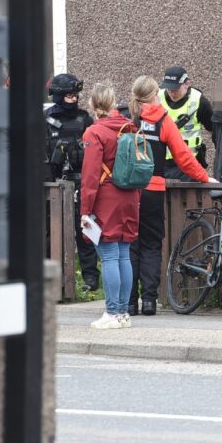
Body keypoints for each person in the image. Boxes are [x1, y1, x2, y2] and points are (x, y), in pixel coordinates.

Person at [121, 76, 217, 316]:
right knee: (151, 246)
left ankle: (130, 303)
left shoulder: (125, 117)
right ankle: (150, 302)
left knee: (130, 245)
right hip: (152, 189)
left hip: (127, 192)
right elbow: (183, 156)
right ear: (155, 95)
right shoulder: (162, 120)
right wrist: (205, 177)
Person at [79, 84, 140, 329]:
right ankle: (123, 312)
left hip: (107, 198)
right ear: (114, 103)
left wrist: (85, 210)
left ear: (93, 106)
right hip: (130, 196)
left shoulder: (94, 133)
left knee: (109, 256)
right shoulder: (130, 127)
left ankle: (112, 312)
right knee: (124, 254)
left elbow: (90, 176)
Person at [44, 73, 101, 292]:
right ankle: (52, 278)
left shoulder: (84, 119)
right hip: (54, 184)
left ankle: (90, 280)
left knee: (84, 230)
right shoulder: (45, 119)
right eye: (69, 95)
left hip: (80, 182)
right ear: (58, 95)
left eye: (76, 94)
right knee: (52, 232)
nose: (74, 98)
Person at [159, 66, 214, 181]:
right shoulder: (157, 98)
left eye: (175, 89)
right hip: (161, 164)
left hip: (189, 164)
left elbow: (213, 130)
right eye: (168, 88)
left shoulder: (200, 102)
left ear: (187, 84)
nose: (171, 92)